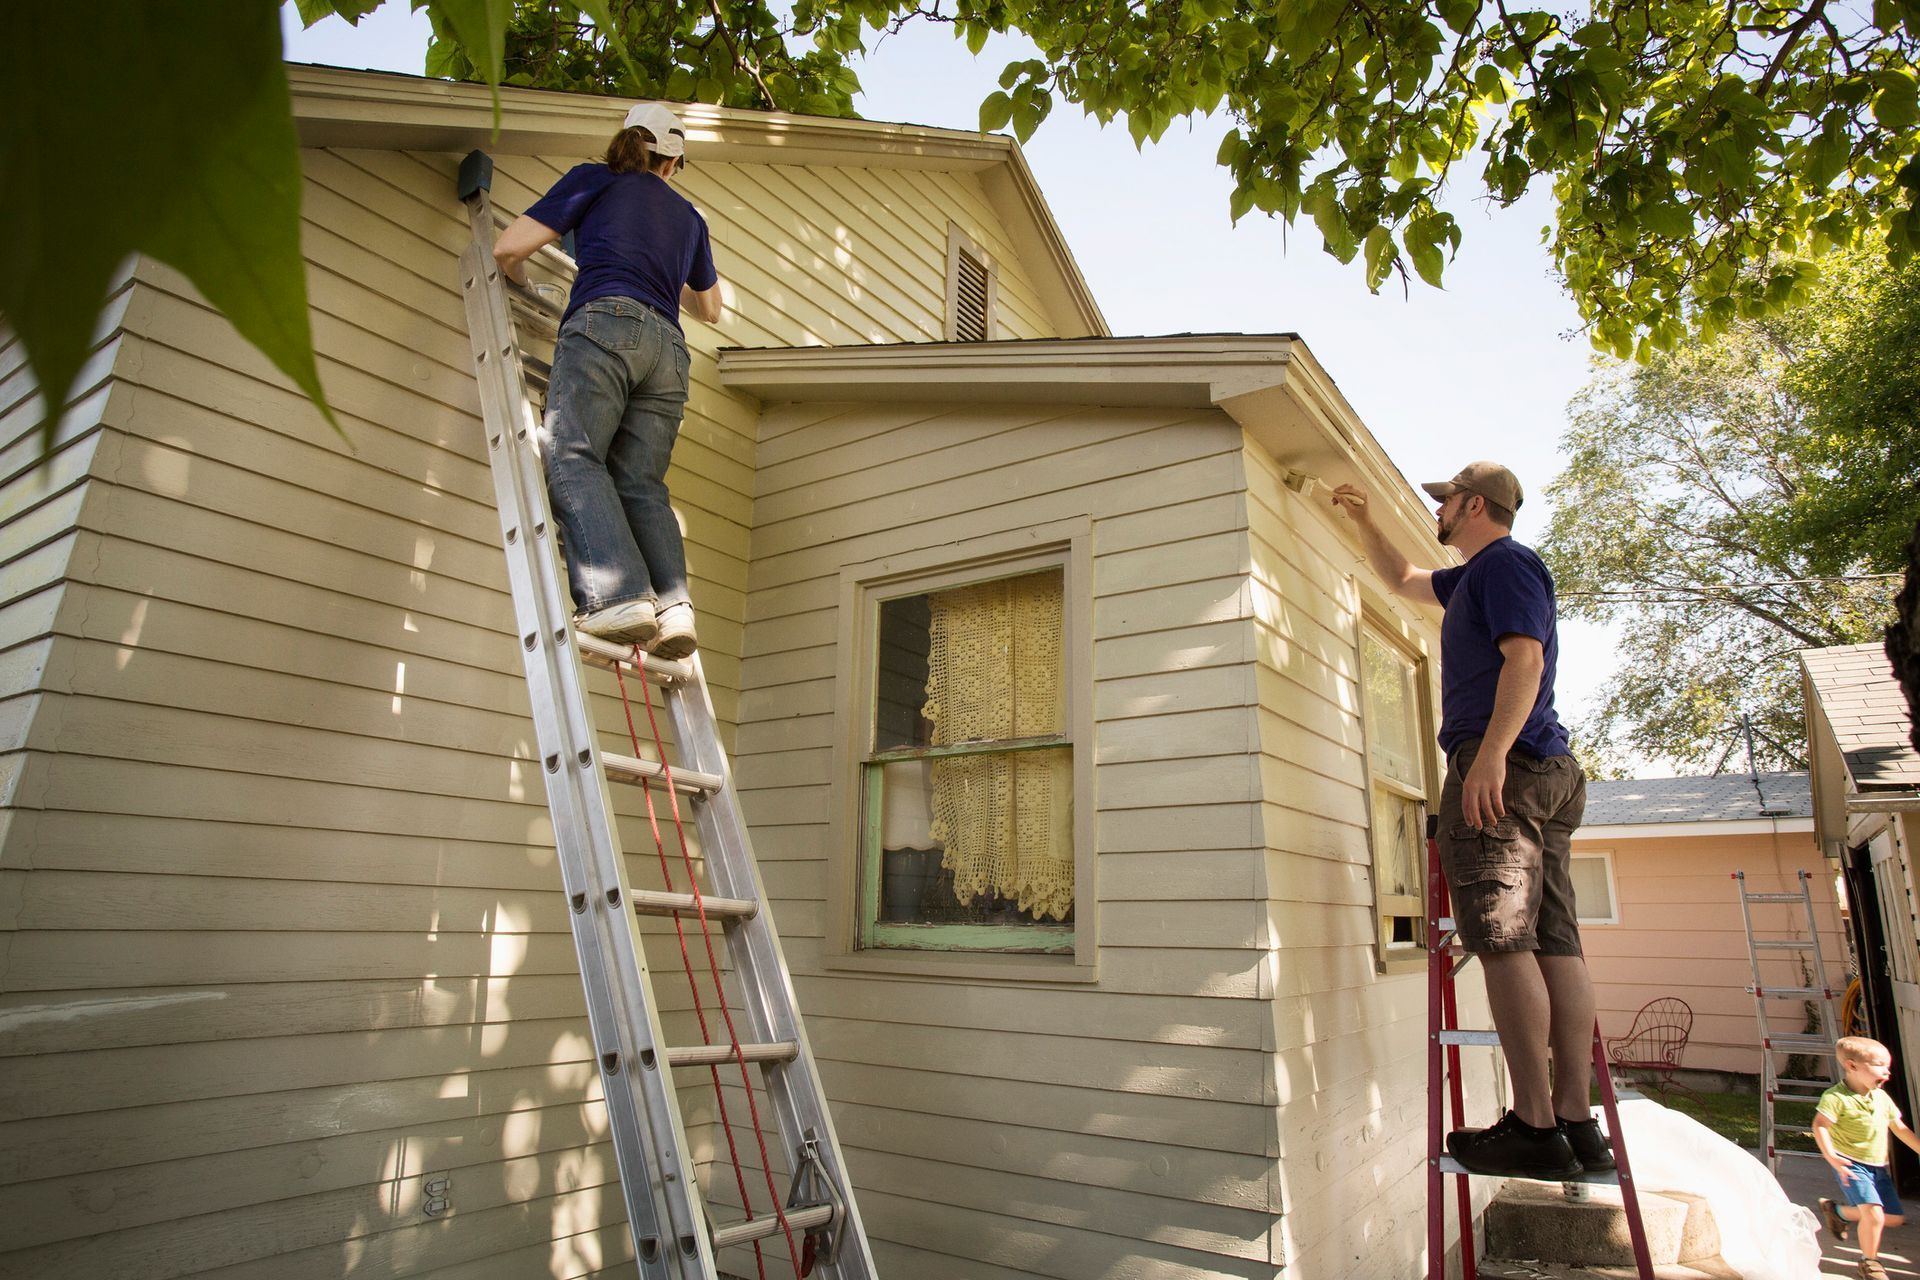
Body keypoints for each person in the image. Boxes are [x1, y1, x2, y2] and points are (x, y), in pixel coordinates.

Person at [1332, 462, 1607, 1181]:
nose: (1438, 510)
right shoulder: (1473, 578)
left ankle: (1536, 1127)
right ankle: (1576, 1123)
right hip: (1541, 773)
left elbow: (1525, 659)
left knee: (1505, 940)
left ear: (1473, 504)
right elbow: (1402, 582)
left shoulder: (1505, 565)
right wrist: (1364, 520)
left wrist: (1488, 759)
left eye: (1445, 500)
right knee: (1553, 941)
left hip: (1507, 772)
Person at [493, 102, 724, 659]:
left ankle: (617, 597)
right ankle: (672, 610)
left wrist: (523, 286)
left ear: (628, 144)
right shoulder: (690, 218)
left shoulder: (595, 179)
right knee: (641, 482)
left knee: (572, 454)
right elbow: (710, 309)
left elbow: (507, 248)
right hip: (669, 352)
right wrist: (664, 263)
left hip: (606, 321)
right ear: (672, 162)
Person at [1815, 1035, 1920, 1279]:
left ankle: (1837, 1212)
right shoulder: (1835, 1098)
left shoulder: (1882, 1098)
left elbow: (1900, 1129)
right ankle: (1869, 1263)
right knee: (1873, 1214)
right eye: (1880, 1066)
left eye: (1888, 1066)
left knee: (1893, 1218)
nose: (1887, 1072)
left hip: (1878, 1167)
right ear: (1852, 1066)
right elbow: (1820, 1125)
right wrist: (1832, 1157)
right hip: (1850, 1165)